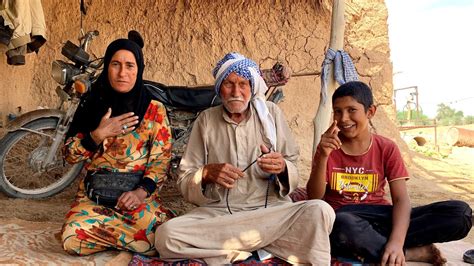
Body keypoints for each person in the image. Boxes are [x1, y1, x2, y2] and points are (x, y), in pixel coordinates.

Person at [154, 52, 335, 265]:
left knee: (320, 211)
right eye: (229, 84)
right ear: (220, 88)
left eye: (242, 84)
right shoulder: (206, 120)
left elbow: (292, 162)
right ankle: (258, 246)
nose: (236, 92)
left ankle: (230, 249)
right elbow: (185, 179)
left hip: (271, 212)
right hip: (221, 215)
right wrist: (206, 174)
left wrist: (282, 167)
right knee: (166, 235)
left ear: (252, 87)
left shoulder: (271, 114)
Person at [306, 81, 472, 265]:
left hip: (380, 216)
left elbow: (401, 200)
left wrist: (396, 241)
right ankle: (410, 253)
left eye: (351, 110)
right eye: (337, 111)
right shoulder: (328, 148)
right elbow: (314, 197)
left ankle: (380, 246)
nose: (344, 118)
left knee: (460, 214)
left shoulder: (386, 148)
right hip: (342, 220)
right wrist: (322, 156)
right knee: (341, 224)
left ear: (370, 112)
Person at [60, 35, 175, 256]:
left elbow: (160, 161)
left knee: (167, 236)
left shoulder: (154, 108)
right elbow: (69, 155)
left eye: (129, 65)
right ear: (107, 68)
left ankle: (107, 235)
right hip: (95, 198)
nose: (122, 73)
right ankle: (137, 242)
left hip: (137, 198)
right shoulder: (92, 104)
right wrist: (97, 135)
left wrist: (141, 193)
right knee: (71, 239)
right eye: (115, 64)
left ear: (138, 69)